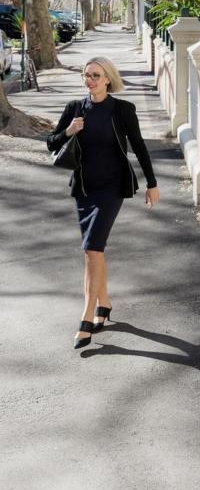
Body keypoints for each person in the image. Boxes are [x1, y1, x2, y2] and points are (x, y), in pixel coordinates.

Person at [47, 57, 160, 349]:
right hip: (84, 189)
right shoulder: (75, 108)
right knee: (94, 252)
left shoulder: (122, 109)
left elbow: (139, 146)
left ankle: (86, 318)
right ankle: (104, 303)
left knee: (91, 248)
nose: (90, 80)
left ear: (108, 78)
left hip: (112, 188)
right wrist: (69, 131)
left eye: (96, 75)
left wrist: (152, 183)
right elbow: (51, 142)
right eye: (86, 75)